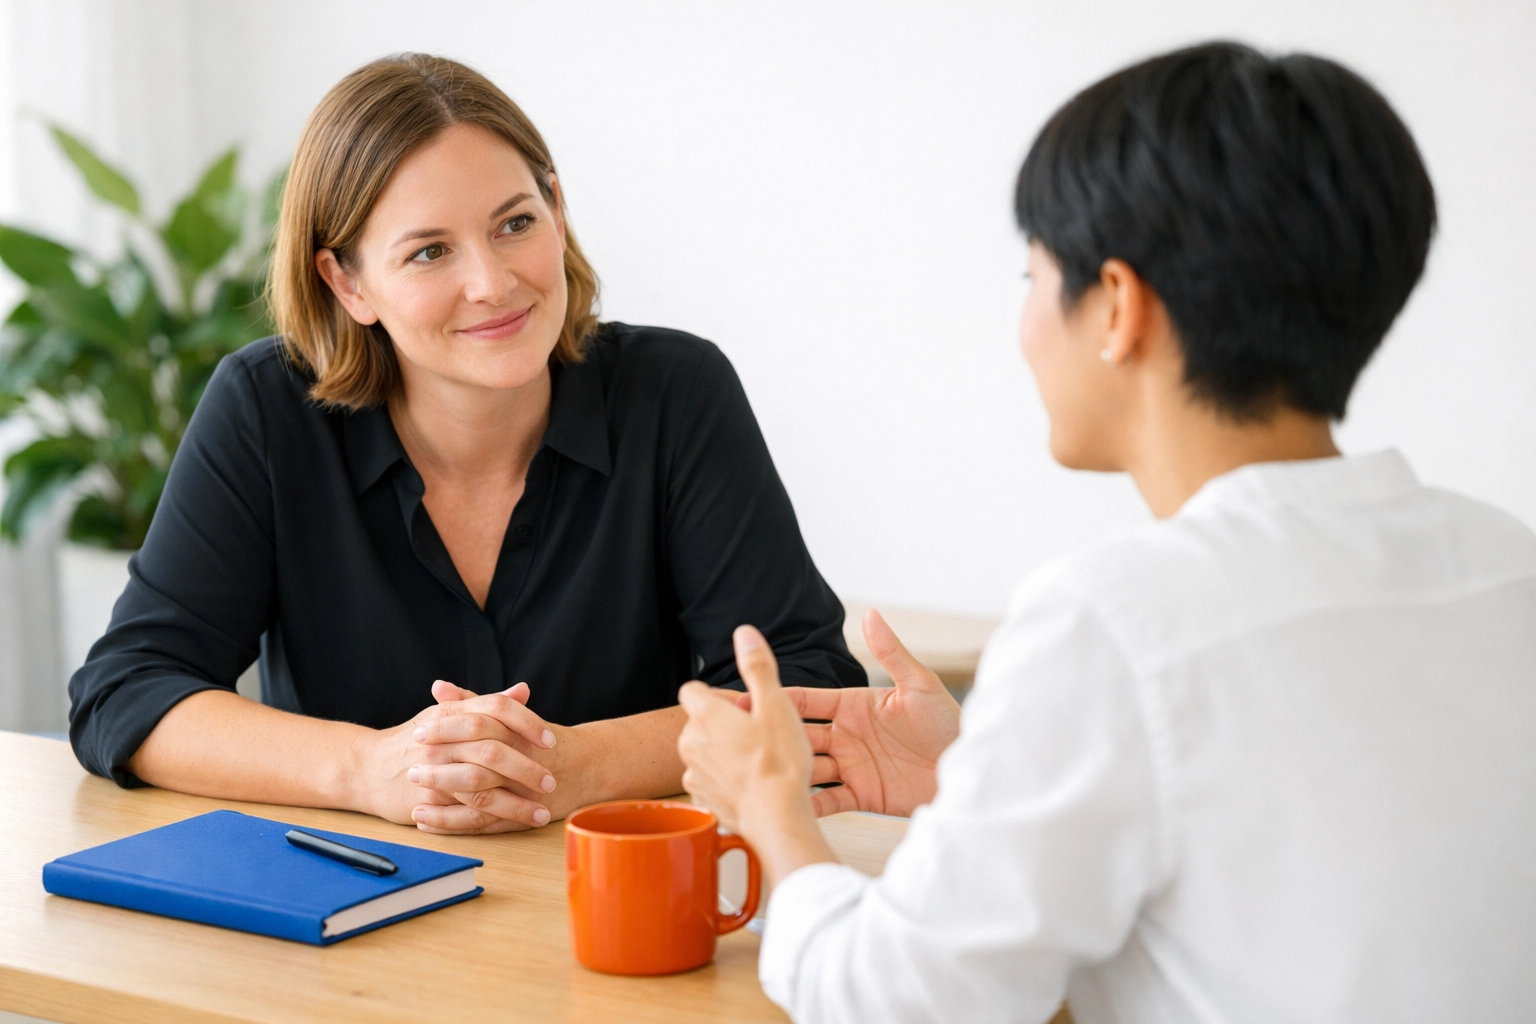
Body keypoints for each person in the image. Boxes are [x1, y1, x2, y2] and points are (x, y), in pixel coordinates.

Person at [677, 41, 1536, 1023]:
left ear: (1119, 306)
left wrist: (770, 810)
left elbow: (896, 1002)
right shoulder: (1506, 563)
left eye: (1034, 272)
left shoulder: (1116, 623)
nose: (1026, 320)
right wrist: (983, 776)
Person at [68, 53, 864, 835]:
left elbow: (809, 686)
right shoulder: (265, 411)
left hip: (621, 905)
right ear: (348, 284)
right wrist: (373, 768)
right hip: (344, 916)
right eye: (429, 251)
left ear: (557, 209)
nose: (492, 282)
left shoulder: (675, 392)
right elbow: (128, 692)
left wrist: (570, 764)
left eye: (515, 223)